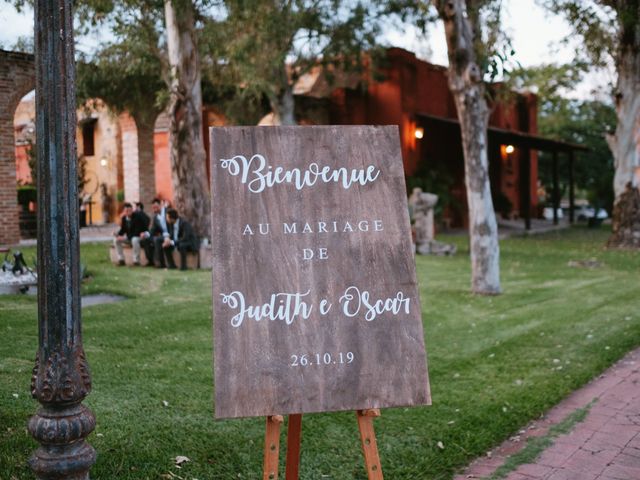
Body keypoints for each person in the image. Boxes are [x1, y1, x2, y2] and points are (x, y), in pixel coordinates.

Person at [140, 198, 169, 267]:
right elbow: (153, 230)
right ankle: (151, 261)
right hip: (162, 236)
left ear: (160, 205)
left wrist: (167, 236)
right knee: (145, 240)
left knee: (157, 239)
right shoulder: (156, 217)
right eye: (153, 208)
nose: (154, 209)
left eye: (156, 207)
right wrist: (145, 234)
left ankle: (160, 263)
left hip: (170, 235)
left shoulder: (168, 212)